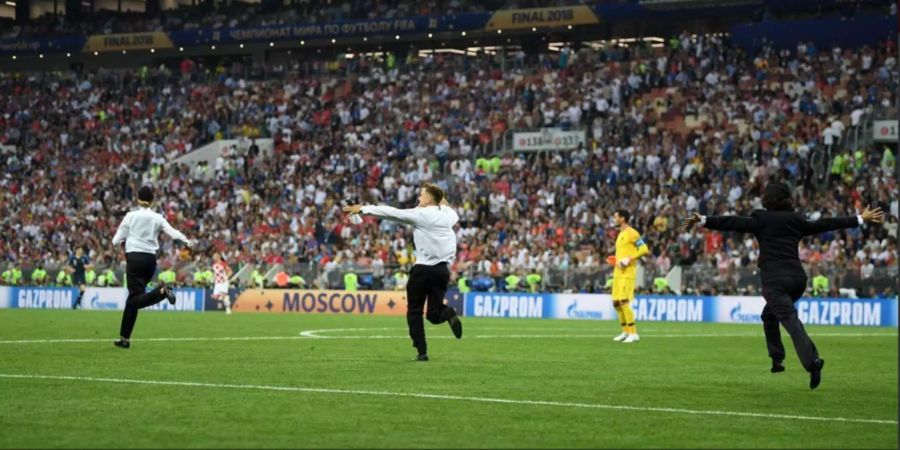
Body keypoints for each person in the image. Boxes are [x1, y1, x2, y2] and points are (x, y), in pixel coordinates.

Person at [682, 181, 884, 389]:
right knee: (769, 315)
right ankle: (777, 359)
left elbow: (734, 222)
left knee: (789, 320)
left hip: (774, 282)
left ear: (767, 199)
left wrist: (704, 219)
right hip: (797, 280)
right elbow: (824, 224)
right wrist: (860, 218)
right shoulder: (795, 219)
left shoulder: (761, 218)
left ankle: (812, 362)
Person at [343, 183, 463, 361]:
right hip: (442, 271)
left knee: (414, 311)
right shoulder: (450, 215)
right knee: (433, 314)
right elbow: (445, 205)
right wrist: (441, 199)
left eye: (422, 195)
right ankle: (449, 313)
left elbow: (391, 212)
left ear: (429, 199)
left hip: (422, 270)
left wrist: (363, 209)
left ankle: (421, 352)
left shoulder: (420, 215)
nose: (419, 198)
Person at [111, 186, 193, 349]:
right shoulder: (157, 217)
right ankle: (124, 338)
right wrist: (186, 240)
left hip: (134, 258)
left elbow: (117, 238)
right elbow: (173, 232)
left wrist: (116, 244)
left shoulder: (130, 216)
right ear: (152, 200)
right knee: (133, 300)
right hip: (150, 260)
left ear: (137, 199)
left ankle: (162, 290)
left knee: (135, 298)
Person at [610, 209, 650, 344]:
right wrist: (615, 260)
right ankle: (625, 331)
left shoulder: (632, 233)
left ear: (622, 218)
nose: (614, 219)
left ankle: (633, 333)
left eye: (616, 217)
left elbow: (644, 249)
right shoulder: (620, 234)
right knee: (616, 303)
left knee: (623, 301)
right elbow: (622, 255)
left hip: (627, 273)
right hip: (617, 272)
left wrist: (629, 259)